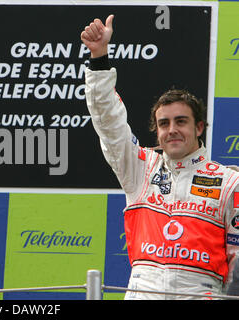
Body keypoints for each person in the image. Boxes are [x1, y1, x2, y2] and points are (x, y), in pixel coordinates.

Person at [81, 15, 239, 299]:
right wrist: (99, 57)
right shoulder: (140, 169)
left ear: (199, 127)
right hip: (144, 291)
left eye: (181, 121)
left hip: (202, 292)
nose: (172, 130)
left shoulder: (229, 182)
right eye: (164, 124)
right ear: (157, 131)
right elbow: (108, 121)